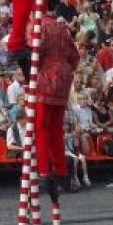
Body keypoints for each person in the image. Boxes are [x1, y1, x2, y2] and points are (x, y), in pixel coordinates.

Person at [33, 13, 80, 199]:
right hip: (64, 78)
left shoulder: (38, 25)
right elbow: (75, 57)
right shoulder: (62, 27)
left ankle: (44, 169)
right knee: (56, 127)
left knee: (42, 126)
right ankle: (61, 170)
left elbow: (36, 52)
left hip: (46, 76)